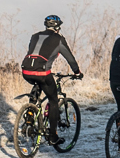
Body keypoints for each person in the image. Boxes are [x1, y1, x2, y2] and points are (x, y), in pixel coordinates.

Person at [20, 15, 83, 144]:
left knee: (37, 84)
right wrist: (77, 72)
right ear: (58, 27)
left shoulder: (34, 36)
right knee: (53, 100)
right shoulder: (59, 39)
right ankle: (53, 136)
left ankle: (30, 116)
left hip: (26, 71)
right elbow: (70, 58)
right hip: (42, 72)